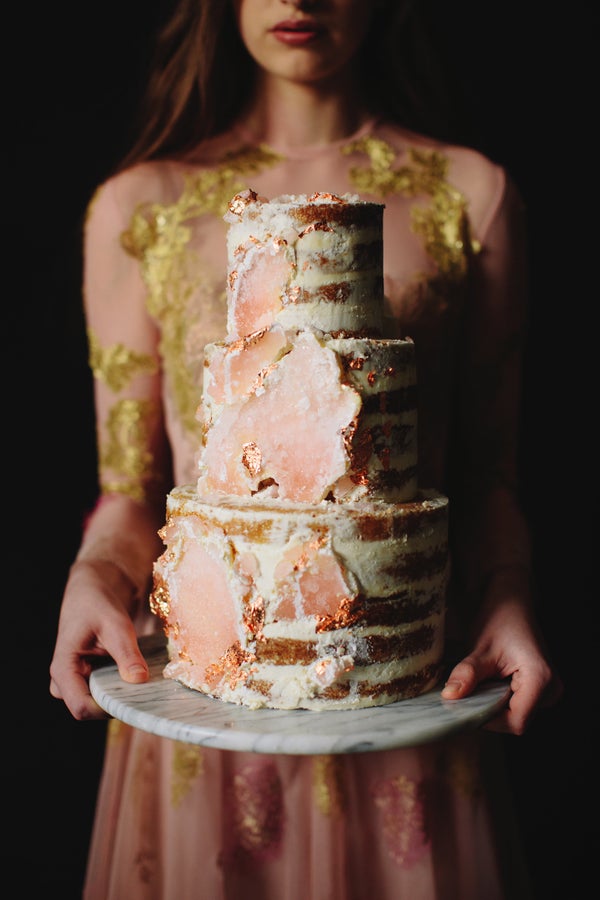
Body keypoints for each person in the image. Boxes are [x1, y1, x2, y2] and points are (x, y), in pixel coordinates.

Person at [49, 1, 563, 897]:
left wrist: (510, 594)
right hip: (204, 705)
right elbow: (130, 489)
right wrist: (95, 574)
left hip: (405, 703)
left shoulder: (470, 194)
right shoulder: (142, 206)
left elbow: (489, 482)